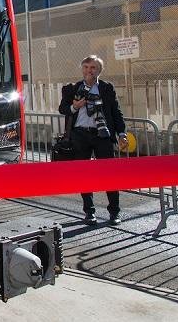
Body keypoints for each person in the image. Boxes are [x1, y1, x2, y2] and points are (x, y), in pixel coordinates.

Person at [59, 55, 129, 226]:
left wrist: (121, 133)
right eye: (86, 67)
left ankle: (114, 212)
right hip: (80, 135)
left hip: (102, 135)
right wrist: (74, 106)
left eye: (93, 68)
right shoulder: (73, 88)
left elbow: (116, 112)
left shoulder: (106, 88)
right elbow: (62, 109)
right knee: (84, 174)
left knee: (109, 173)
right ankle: (89, 212)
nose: (89, 71)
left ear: (99, 71)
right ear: (82, 69)